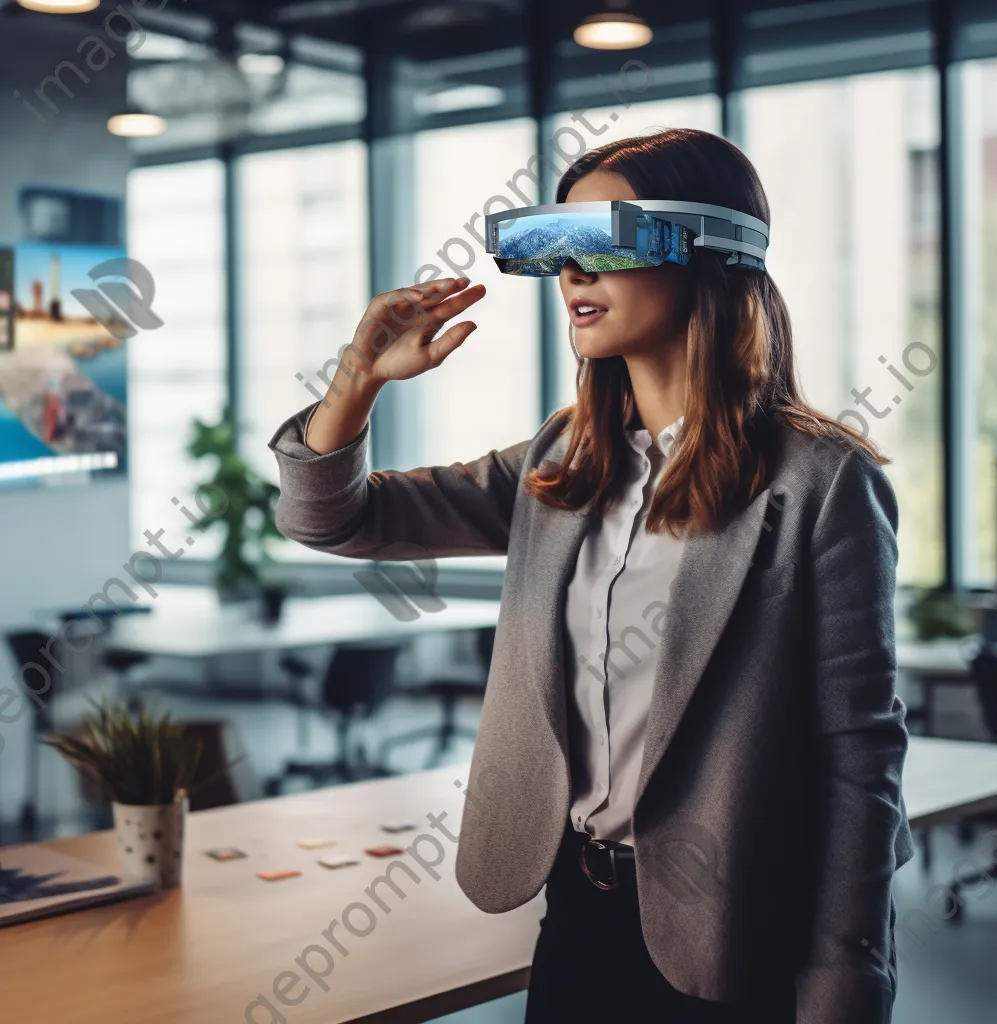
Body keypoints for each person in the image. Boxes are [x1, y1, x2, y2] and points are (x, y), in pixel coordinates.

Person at [268, 127, 913, 1024]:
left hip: (738, 935)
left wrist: (848, 985)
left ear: (711, 251)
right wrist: (358, 380)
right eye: (557, 248)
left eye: (605, 241)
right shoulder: (563, 462)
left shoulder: (823, 481)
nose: (574, 272)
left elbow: (860, 757)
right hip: (575, 916)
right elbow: (330, 517)